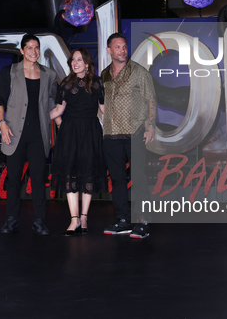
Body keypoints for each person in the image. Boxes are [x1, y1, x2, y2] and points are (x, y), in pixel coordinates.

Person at [0, 34, 57, 234]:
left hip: (38, 134)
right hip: (14, 133)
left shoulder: (49, 75)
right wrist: (2, 123)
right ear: (21, 51)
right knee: (14, 180)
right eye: (29, 47)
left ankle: (39, 221)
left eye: (36, 47)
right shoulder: (9, 72)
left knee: (38, 179)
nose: (33, 51)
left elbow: (52, 102)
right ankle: (11, 220)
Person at [101, 33, 156, 239]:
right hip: (111, 134)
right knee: (117, 180)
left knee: (139, 178)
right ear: (109, 51)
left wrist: (150, 126)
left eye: (124, 47)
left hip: (135, 131)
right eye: (118, 47)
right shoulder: (105, 74)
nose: (122, 50)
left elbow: (151, 99)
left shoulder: (139, 72)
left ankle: (142, 220)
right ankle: (123, 219)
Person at [49, 48, 106, 236]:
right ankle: (73, 219)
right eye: (73, 60)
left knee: (87, 173)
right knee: (70, 174)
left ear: (87, 63)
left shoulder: (97, 83)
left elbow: (105, 110)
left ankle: (84, 217)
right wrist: (34, 118)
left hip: (90, 131)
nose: (75, 63)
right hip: (69, 132)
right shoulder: (66, 83)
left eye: (79, 60)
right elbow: (58, 111)